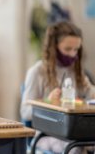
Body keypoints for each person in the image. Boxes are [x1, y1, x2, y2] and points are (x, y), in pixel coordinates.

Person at [20, 21, 95, 154]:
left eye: (76, 49)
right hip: (47, 135)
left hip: (74, 132)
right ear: (53, 47)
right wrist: (47, 102)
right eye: (67, 49)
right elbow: (25, 111)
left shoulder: (76, 71)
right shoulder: (37, 72)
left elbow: (91, 93)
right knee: (75, 148)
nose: (72, 54)